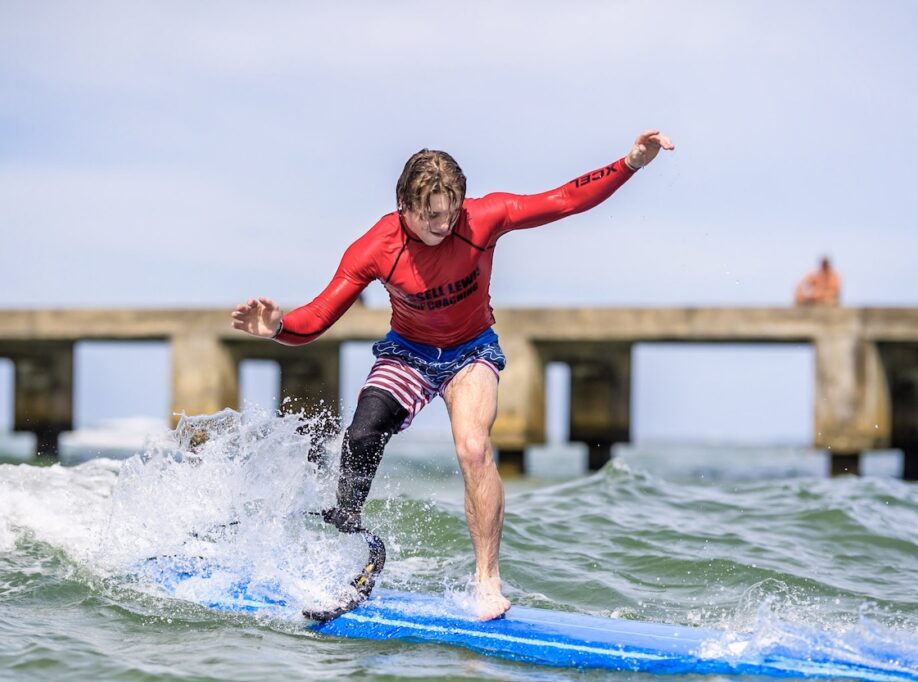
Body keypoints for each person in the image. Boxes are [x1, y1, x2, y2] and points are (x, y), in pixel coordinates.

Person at [231, 130, 675, 620]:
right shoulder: (376, 248)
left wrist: (630, 163)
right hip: (407, 353)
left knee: (472, 446)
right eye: (431, 215)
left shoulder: (483, 218)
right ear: (403, 205)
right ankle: (351, 538)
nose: (444, 224)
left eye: (451, 212)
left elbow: (564, 200)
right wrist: (276, 327)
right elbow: (316, 318)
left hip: (471, 352)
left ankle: (487, 579)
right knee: (361, 434)